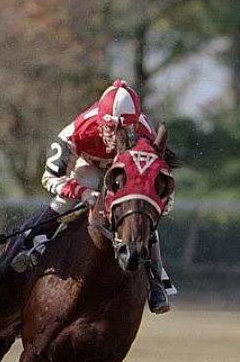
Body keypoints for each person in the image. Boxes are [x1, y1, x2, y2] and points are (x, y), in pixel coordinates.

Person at [10, 79, 174, 314]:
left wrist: (157, 202)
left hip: (128, 168)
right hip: (88, 165)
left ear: (135, 125)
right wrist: (83, 192)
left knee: (138, 207)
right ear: (100, 121)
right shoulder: (76, 131)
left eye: (124, 130)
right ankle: (33, 245)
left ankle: (156, 279)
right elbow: (49, 178)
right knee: (65, 201)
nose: (115, 137)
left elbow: (160, 181)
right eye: (110, 128)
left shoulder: (145, 133)